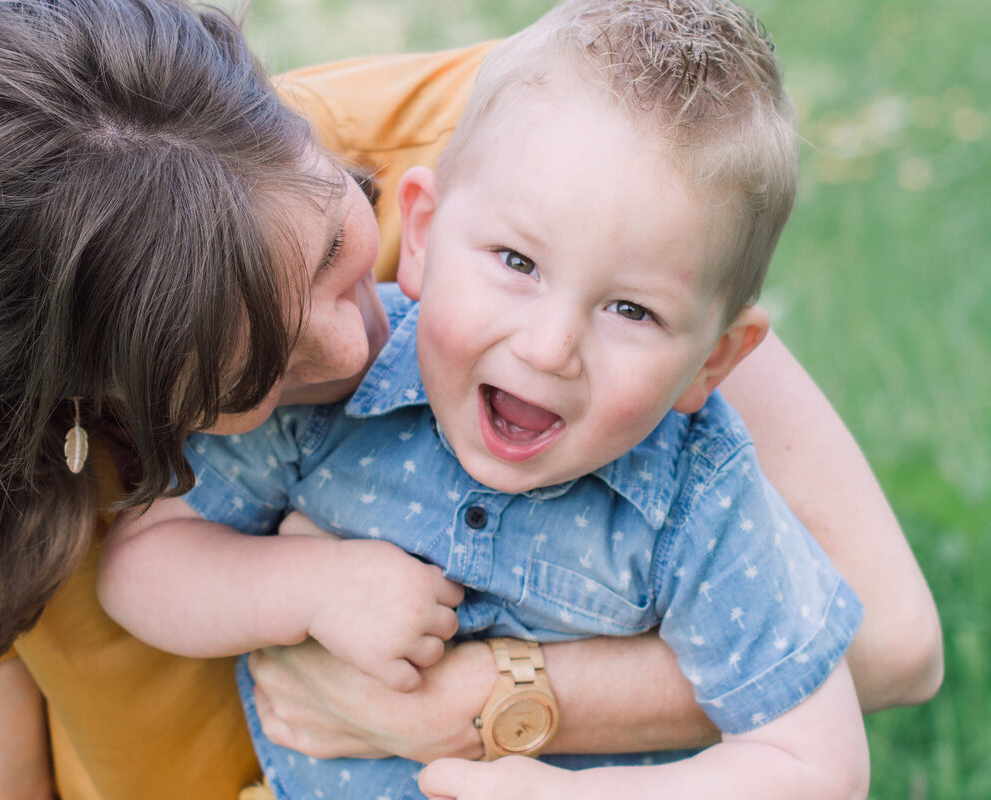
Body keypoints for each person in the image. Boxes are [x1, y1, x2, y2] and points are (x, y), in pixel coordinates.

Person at [0, 0, 940, 797]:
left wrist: (475, 708)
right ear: (86, 401)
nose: (361, 338)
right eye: (256, 380)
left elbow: (888, 641)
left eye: (342, 242)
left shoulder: (553, 161)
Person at [97, 2, 868, 799]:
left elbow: (818, 764)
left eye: (631, 310)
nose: (547, 347)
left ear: (713, 360)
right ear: (424, 235)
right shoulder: (330, 400)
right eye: (516, 260)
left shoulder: (697, 498)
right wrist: (305, 585)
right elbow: (139, 569)